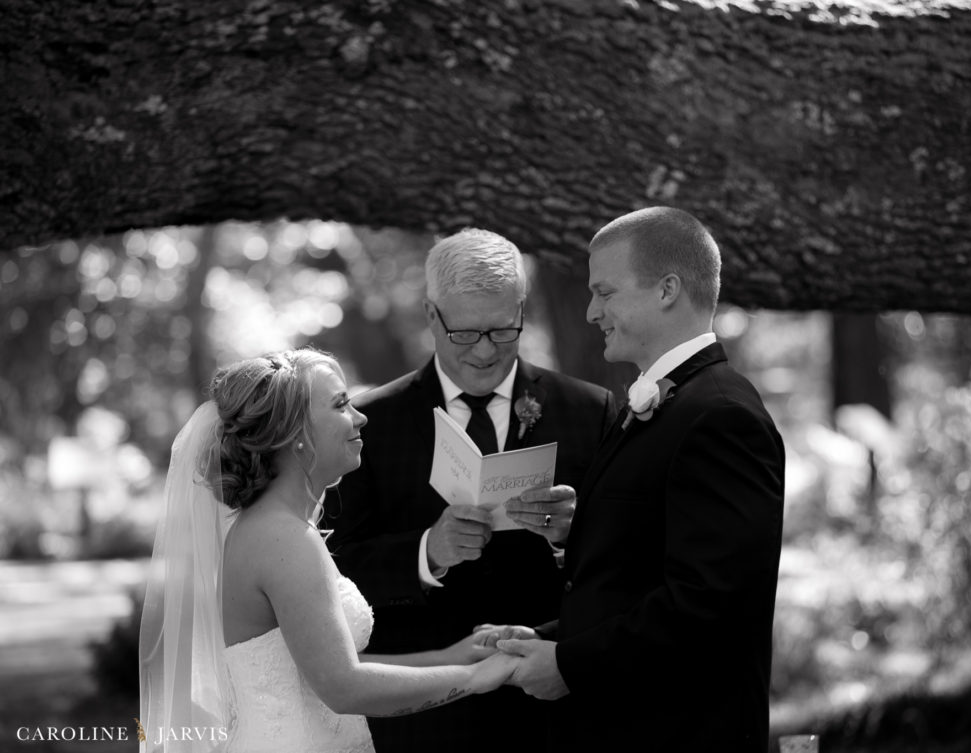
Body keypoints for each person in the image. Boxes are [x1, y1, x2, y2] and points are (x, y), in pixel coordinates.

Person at [497, 207, 786, 752]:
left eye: (604, 292)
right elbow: (645, 574)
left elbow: (710, 605)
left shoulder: (721, 415)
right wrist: (546, 640)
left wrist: (569, 664)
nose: (589, 312)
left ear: (667, 289)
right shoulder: (670, 404)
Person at [138, 349, 519, 753]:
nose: (360, 417)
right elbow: (345, 688)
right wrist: (476, 679)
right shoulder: (284, 539)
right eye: (341, 405)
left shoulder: (275, 528)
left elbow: (333, 668)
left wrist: (455, 657)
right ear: (295, 433)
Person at [325, 228, 617, 752]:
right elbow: (334, 568)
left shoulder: (591, 411)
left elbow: (626, 564)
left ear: (522, 310)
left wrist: (571, 536)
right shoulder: (373, 422)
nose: (484, 352)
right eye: (465, 333)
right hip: (427, 716)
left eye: (503, 331)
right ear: (432, 316)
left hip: (556, 709)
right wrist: (426, 553)